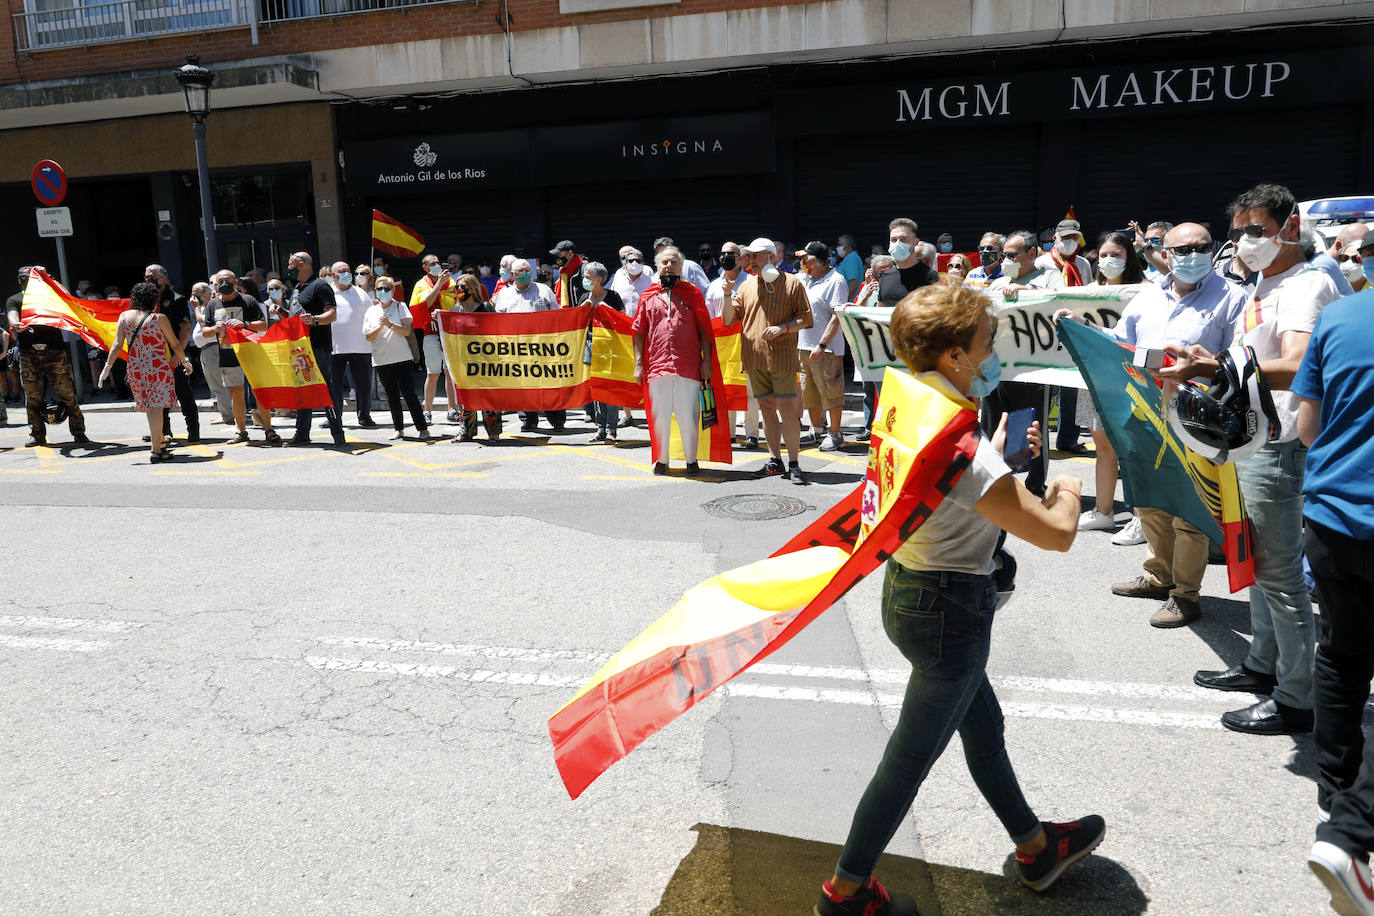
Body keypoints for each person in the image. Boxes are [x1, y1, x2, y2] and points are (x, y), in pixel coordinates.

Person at [814, 281, 1102, 916]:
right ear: (953, 357)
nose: (992, 355)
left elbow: (947, 483)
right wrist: (1071, 487)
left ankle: (1035, 846)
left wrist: (996, 461)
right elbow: (1054, 533)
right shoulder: (963, 450)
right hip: (949, 611)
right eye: (986, 344)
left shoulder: (912, 400)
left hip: (911, 593)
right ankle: (846, 892)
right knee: (909, 760)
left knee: (983, 726)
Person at [1157, 185, 1341, 735]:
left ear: (1291, 226)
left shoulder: (1308, 285)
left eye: (1256, 229)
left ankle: (1296, 697)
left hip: (1280, 440)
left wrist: (1218, 369)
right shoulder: (1268, 281)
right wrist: (1213, 363)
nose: (1245, 241)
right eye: (1240, 231)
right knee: (1260, 560)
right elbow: (1256, 358)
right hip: (1255, 436)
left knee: (1280, 573)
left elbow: (1300, 363)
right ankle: (1265, 666)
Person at [1063, 223, 1247, 628]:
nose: (1191, 255)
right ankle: (1158, 575)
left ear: (1213, 248)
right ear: (1164, 252)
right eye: (1181, 249)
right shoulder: (1149, 296)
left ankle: (1186, 594)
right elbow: (1120, 345)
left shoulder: (1233, 297)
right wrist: (1084, 327)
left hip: (1196, 418)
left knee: (1188, 506)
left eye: (1200, 247)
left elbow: (1238, 361)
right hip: (1144, 413)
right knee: (1149, 498)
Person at [1291, 282, 1374, 913]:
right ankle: (1350, 831)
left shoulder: (1340, 315)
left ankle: (1336, 790)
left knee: (1343, 657)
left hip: (1330, 516)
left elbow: (1307, 423)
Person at [1074, 232, 1147, 546]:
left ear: (1129, 257)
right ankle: (1103, 511)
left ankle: (1141, 518)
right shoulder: (1087, 293)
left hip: (1131, 379)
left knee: (1135, 450)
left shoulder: (1147, 293)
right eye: (1103, 255)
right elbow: (1046, 300)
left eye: (1116, 254)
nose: (1108, 261)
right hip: (1095, 381)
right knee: (1103, 449)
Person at [722, 237, 813, 484]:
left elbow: (805, 319)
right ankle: (775, 461)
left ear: (771, 257)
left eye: (756, 256)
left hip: (782, 359)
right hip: (754, 359)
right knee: (767, 412)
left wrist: (783, 328)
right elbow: (729, 319)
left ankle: (794, 463)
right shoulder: (746, 286)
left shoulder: (793, 283)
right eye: (748, 256)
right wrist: (727, 295)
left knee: (787, 413)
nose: (750, 261)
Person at [982, 231, 1066, 497]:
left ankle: (1034, 482)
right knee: (993, 422)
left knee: (1033, 425)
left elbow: (1061, 298)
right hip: (999, 367)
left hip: (1033, 367)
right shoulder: (998, 284)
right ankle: (994, 478)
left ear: (1032, 254)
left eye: (1011, 255)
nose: (1006, 260)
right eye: (1004, 255)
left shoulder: (1048, 276)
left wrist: (1027, 290)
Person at [633, 247, 712, 476]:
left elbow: (705, 330)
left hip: (689, 365)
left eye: (673, 262)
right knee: (660, 417)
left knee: (689, 416)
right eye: (665, 262)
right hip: (658, 366)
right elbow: (639, 331)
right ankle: (662, 460)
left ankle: (691, 460)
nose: (669, 266)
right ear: (657, 266)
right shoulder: (648, 295)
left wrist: (706, 361)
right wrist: (639, 363)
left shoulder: (693, 293)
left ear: (681, 266)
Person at [98, 282, 192, 462]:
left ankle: (160, 444)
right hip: (157, 367)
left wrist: (107, 368)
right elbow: (174, 344)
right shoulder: (159, 318)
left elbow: (117, 345)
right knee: (157, 408)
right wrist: (185, 360)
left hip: (136, 368)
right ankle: (156, 450)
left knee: (150, 409)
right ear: (154, 300)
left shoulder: (124, 316)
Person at [9, 267, 89, 448]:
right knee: (32, 396)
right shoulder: (15, 299)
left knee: (67, 393)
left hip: (54, 352)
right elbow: (12, 314)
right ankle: (37, 434)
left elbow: (68, 297)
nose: (27, 281)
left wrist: (48, 278)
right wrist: (16, 324)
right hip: (28, 354)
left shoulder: (49, 298)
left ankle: (79, 431)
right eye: (23, 278)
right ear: (18, 280)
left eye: (30, 278)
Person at [494, 259, 562, 432]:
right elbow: (497, 321)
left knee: (548, 384)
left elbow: (557, 317)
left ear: (531, 272)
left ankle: (557, 420)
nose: (523, 273)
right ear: (512, 275)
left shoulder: (544, 290)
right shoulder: (504, 294)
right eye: (519, 271)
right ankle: (528, 419)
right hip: (516, 349)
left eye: (526, 270)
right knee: (523, 386)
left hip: (543, 348)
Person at [285, 251, 345, 447]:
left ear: (301, 264)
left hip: (317, 347)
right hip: (299, 348)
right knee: (302, 390)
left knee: (325, 389)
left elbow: (332, 314)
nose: (289, 269)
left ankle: (338, 433)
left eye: (291, 264)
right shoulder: (297, 289)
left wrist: (315, 320)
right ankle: (302, 433)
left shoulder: (320, 286)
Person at [203, 268, 270, 445]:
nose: (224, 284)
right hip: (228, 354)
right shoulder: (212, 305)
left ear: (236, 283)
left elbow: (263, 324)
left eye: (228, 281)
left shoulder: (248, 300)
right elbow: (205, 331)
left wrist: (245, 324)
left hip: (251, 352)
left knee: (259, 391)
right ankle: (241, 431)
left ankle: (269, 430)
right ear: (216, 285)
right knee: (236, 393)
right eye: (220, 282)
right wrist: (215, 329)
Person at [796, 241, 849, 452]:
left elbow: (837, 316)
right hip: (805, 346)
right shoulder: (806, 280)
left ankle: (835, 434)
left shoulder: (836, 281)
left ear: (816, 261)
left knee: (832, 392)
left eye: (805, 259)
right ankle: (816, 430)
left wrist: (822, 344)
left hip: (826, 348)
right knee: (809, 392)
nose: (802, 263)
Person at [362, 274, 429, 441]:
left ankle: (423, 429)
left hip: (402, 358)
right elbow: (368, 336)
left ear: (392, 290)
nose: (383, 291)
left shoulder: (400, 306)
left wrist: (390, 324)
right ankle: (398, 429)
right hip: (381, 359)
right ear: (375, 291)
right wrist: (380, 327)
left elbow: (406, 331)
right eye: (379, 289)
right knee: (392, 396)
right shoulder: (371, 310)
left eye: (386, 289)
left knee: (409, 395)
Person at [707, 242, 760, 448]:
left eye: (732, 254)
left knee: (749, 391)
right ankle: (728, 434)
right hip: (722, 348)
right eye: (723, 254)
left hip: (746, 344)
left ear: (741, 259)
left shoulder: (752, 283)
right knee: (726, 390)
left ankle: (752, 434)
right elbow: (709, 318)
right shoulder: (713, 286)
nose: (726, 257)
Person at [144, 264, 199, 444]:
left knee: (183, 393)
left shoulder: (176, 299)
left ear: (164, 279)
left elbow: (185, 327)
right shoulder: (144, 300)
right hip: (153, 356)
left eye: (153, 277)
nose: (149, 281)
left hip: (174, 354)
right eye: (146, 277)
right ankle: (163, 432)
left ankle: (193, 431)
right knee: (158, 396)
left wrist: (178, 354)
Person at [448, 273, 503, 442]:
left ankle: (493, 432)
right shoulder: (454, 311)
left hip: (486, 360)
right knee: (466, 397)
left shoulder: (486, 307)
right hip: (463, 361)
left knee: (489, 396)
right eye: (457, 287)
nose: (459, 290)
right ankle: (466, 431)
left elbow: (497, 331)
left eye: (463, 287)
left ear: (472, 289)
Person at [577, 260, 624, 445]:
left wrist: (606, 309)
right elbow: (576, 322)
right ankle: (600, 428)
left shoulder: (612, 296)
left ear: (599, 280)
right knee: (596, 388)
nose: (584, 280)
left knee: (610, 388)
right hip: (590, 344)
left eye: (588, 277)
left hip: (610, 346)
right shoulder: (583, 297)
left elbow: (623, 318)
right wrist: (585, 308)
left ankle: (612, 428)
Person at [410, 253, 460, 426]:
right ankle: (427, 411)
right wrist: (438, 284)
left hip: (449, 333)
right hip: (430, 333)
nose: (437, 265)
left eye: (438, 262)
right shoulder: (421, 284)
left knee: (450, 373)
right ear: (425, 267)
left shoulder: (452, 282)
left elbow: (456, 304)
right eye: (433, 263)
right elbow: (425, 304)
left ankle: (452, 409)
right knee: (432, 373)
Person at [327, 260, 377, 430]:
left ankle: (364, 415)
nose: (347, 274)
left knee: (363, 384)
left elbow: (372, 316)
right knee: (334, 386)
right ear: (333, 275)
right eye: (342, 271)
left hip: (360, 347)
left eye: (348, 270)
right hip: (334, 348)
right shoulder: (327, 293)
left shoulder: (360, 293)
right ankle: (335, 417)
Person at [190, 281, 233, 426]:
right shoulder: (204, 306)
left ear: (207, 294)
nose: (193, 298)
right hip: (206, 348)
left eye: (197, 295)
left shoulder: (213, 304)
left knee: (218, 383)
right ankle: (225, 413)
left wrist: (196, 309)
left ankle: (227, 415)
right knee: (214, 383)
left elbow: (205, 322)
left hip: (213, 346)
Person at [610, 247, 653, 318]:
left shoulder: (651, 281)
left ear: (643, 263)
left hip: (644, 324)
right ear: (626, 264)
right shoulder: (618, 279)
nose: (634, 263)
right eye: (631, 261)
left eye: (638, 261)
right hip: (622, 324)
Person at [549, 240, 583, 308]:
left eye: (559, 254)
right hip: (566, 314)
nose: (558, 258)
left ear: (570, 254)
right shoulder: (563, 272)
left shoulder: (584, 272)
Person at [835, 234, 864, 299]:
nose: (837, 247)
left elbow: (853, 284)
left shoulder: (851, 258)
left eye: (840, 245)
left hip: (849, 304)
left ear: (847, 246)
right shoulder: (848, 259)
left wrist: (844, 301)